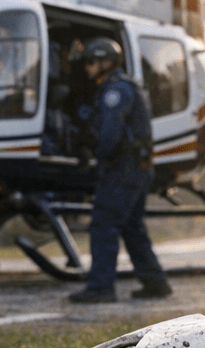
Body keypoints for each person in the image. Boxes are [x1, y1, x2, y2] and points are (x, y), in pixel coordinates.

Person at [68, 37, 173, 303]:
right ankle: (155, 282)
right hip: (137, 167)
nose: (88, 67)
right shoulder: (123, 87)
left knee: (104, 224)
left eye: (92, 62)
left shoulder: (115, 90)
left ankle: (101, 287)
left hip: (122, 169)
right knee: (132, 227)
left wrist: (96, 154)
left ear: (106, 62)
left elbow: (109, 135)